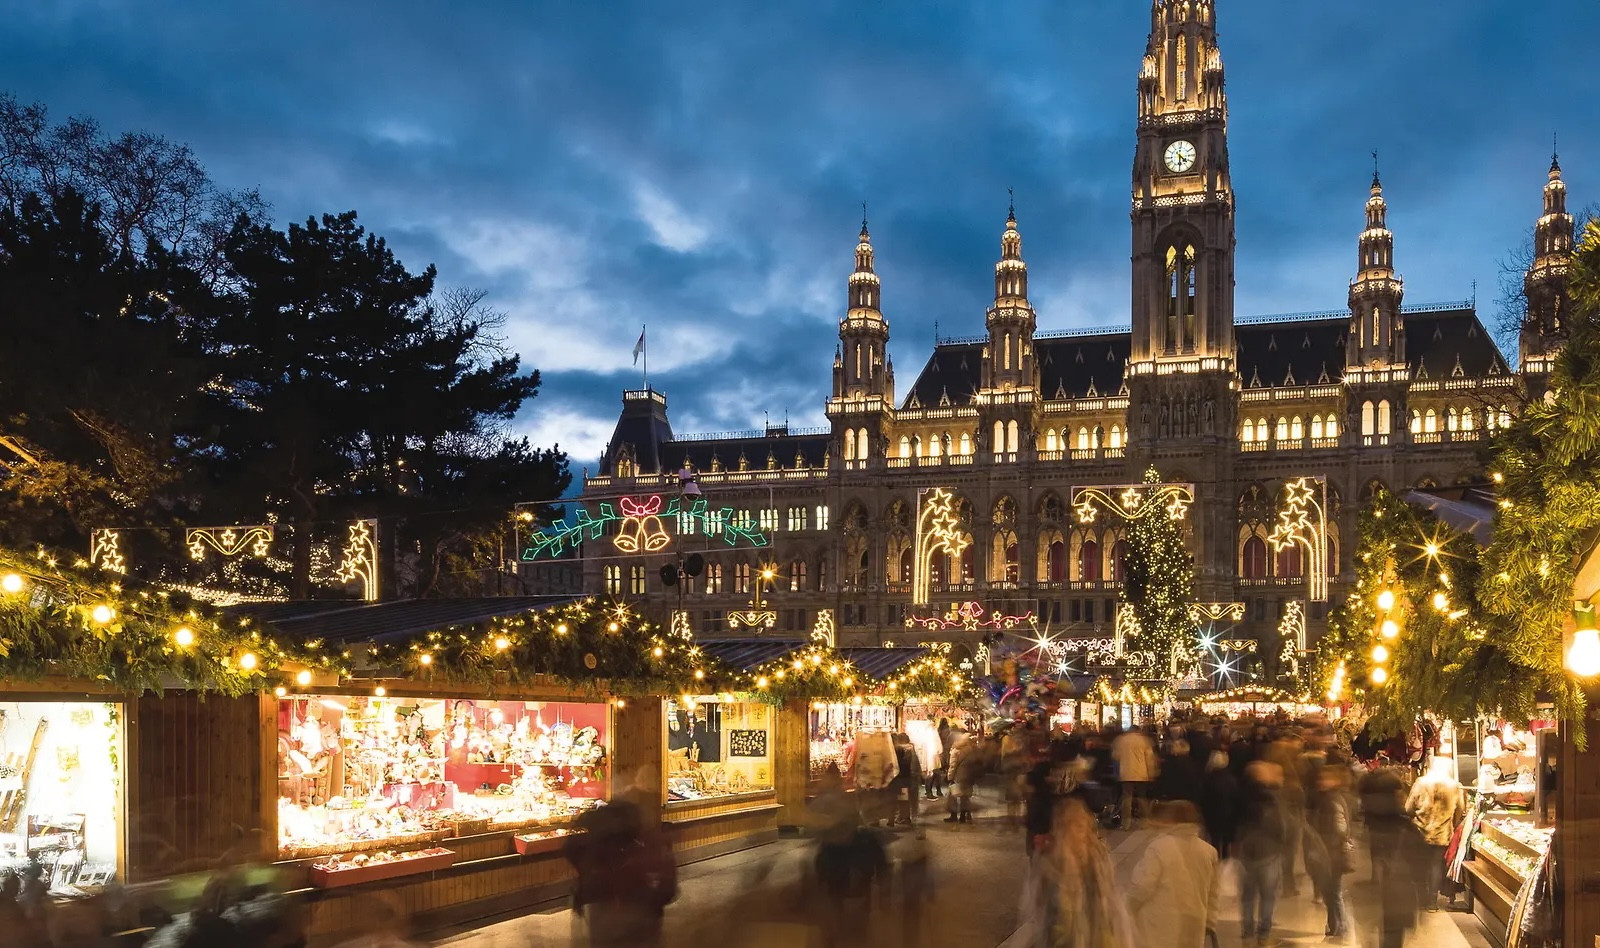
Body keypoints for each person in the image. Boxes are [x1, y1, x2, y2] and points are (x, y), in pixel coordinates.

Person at [565, 797, 677, 947]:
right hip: (633, 915)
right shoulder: (640, 848)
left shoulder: (598, 848)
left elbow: (571, 850)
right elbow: (666, 889)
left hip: (606, 912)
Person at [1125, 800, 1218, 948]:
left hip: (1159, 929)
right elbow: (1213, 893)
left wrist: (1126, 909)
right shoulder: (1209, 852)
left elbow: (1141, 887)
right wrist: (1210, 922)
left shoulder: (1159, 848)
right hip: (1193, 928)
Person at [1236, 760, 1289, 948]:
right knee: (1268, 895)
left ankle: (1247, 931)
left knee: (1248, 895)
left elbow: (1236, 823)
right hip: (1268, 851)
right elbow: (1279, 825)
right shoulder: (1271, 797)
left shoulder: (1241, 796)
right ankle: (1264, 935)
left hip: (1246, 851)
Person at [1405, 754, 1463, 911]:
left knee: (1420, 865)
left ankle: (1421, 899)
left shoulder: (1421, 783)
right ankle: (1432, 902)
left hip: (1420, 832)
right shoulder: (1454, 786)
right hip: (1442, 833)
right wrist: (1451, 822)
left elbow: (1408, 808)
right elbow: (1460, 809)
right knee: (1436, 866)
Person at [1306, 763, 1353, 940]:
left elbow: (1340, 827)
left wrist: (1325, 846)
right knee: (1331, 892)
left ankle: (1340, 926)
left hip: (1332, 855)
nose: (1321, 781)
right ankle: (1335, 925)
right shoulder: (1329, 798)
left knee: (1333, 893)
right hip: (1331, 853)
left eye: (1325, 778)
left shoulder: (1332, 800)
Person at [1111, 725, 1158, 830]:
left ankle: (1126, 823)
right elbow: (1149, 758)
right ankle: (1145, 821)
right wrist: (1151, 773)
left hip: (1126, 773)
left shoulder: (1121, 740)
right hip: (1142, 773)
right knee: (1142, 797)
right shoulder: (1144, 740)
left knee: (1127, 798)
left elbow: (1115, 756)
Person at [1198, 749, 1240, 859]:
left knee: (1215, 838)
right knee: (1226, 839)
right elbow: (1236, 797)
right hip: (1228, 813)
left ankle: (1215, 857)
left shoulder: (1208, 779)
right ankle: (1225, 857)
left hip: (1212, 814)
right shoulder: (1231, 779)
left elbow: (1203, 797)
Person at [944, 726, 977, 823]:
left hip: (958, 776)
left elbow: (953, 766)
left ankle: (953, 815)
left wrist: (949, 777)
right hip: (969, 776)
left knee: (952, 796)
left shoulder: (956, 750)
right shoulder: (971, 748)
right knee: (965, 796)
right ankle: (964, 816)